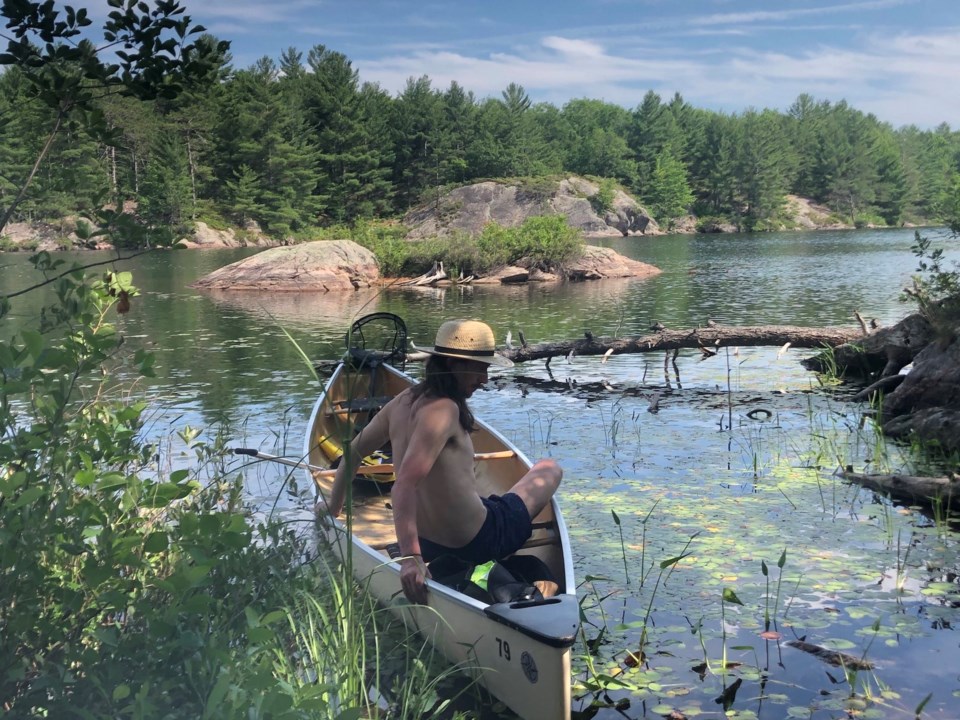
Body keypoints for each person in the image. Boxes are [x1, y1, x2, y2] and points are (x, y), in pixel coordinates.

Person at [317, 319, 562, 605]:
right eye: (481, 368)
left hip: (429, 541)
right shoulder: (444, 409)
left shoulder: (402, 401)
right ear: (454, 364)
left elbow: (353, 453)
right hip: (478, 541)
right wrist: (411, 559)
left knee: (488, 501)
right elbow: (404, 486)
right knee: (549, 468)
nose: (484, 379)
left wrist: (332, 507)